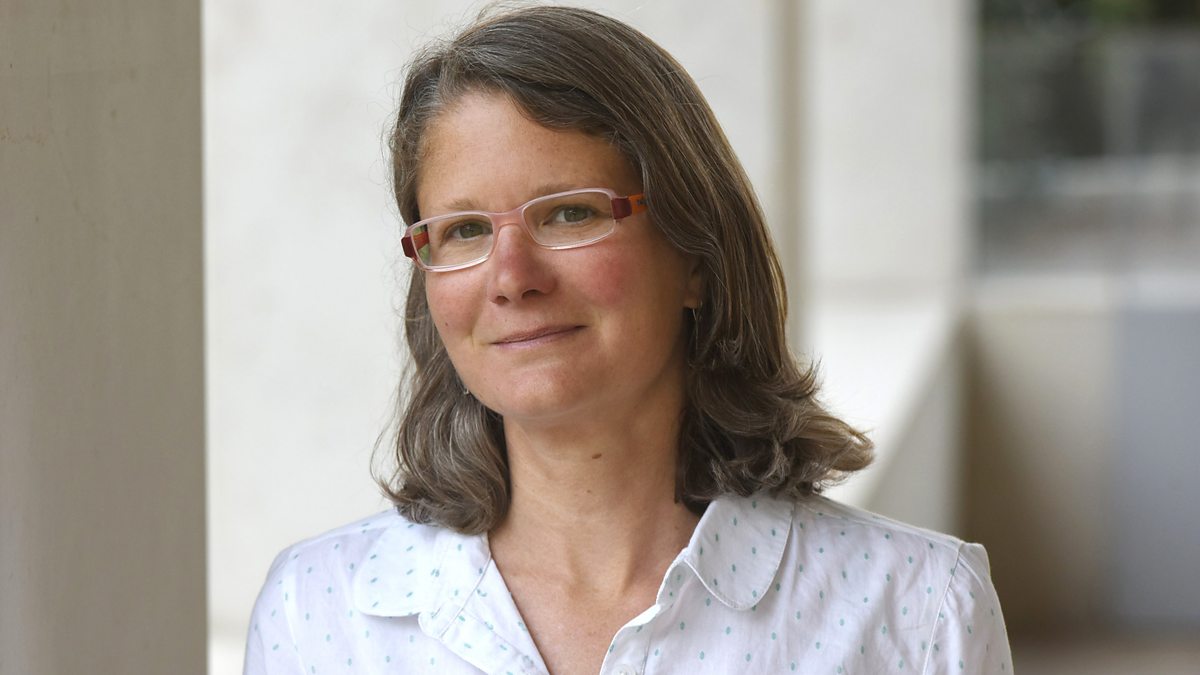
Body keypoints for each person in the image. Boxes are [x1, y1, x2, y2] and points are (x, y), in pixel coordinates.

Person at [244, 5, 1011, 674]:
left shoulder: (916, 607)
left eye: (569, 213)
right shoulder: (319, 615)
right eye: (465, 229)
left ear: (696, 258)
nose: (511, 277)